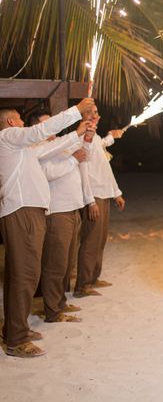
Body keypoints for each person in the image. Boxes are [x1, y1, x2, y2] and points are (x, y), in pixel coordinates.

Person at [0, 99, 94, 357]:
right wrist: (76, 110)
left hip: (29, 211)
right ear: (11, 122)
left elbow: (49, 148)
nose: (21, 122)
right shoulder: (9, 136)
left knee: (20, 275)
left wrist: (77, 133)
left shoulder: (23, 150)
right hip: (22, 211)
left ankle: (13, 330)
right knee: (25, 275)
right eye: (19, 119)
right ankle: (16, 340)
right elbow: (40, 133)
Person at [28, 112, 93, 323]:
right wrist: (73, 160)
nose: (52, 126)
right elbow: (48, 174)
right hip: (56, 212)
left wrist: (88, 139)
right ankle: (52, 311)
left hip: (73, 209)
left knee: (67, 263)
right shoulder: (35, 149)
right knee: (55, 264)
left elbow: (84, 155)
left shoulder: (59, 143)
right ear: (36, 128)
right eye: (46, 123)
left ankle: (60, 303)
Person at [74, 106, 126, 298]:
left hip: (103, 195)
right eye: (90, 113)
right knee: (90, 241)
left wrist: (116, 194)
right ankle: (82, 286)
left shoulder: (94, 139)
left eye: (96, 113)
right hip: (93, 196)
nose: (95, 116)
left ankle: (93, 278)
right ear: (81, 117)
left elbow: (104, 163)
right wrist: (90, 202)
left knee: (100, 239)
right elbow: (84, 173)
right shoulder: (80, 139)